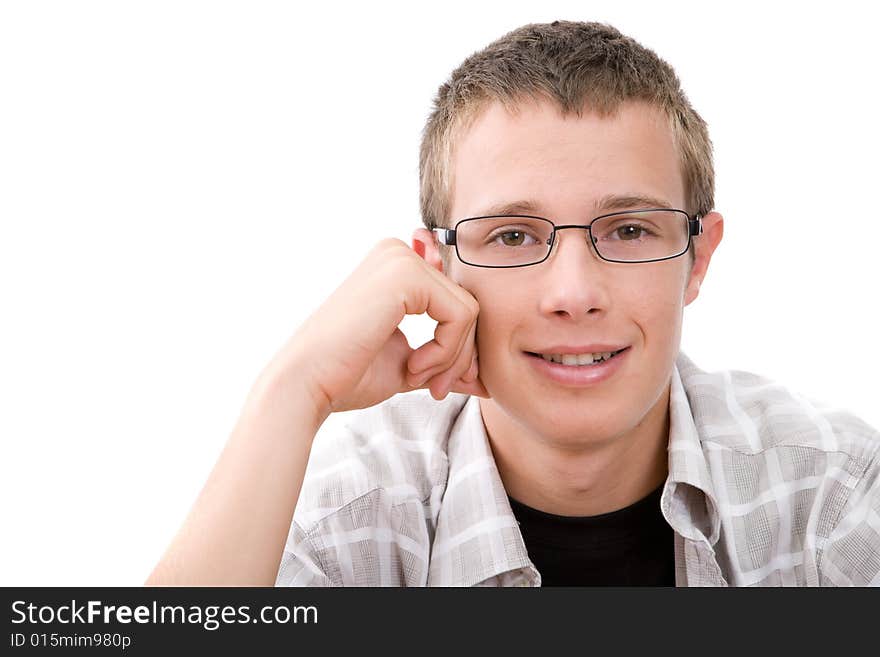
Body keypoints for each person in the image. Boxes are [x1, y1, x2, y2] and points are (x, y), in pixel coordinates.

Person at [146, 20, 880, 587]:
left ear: (698, 257)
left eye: (628, 229)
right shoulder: (353, 516)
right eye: (511, 235)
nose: (573, 293)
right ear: (436, 271)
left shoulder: (830, 497)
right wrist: (290, 394)